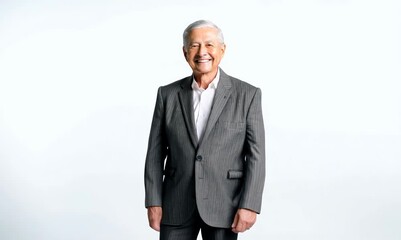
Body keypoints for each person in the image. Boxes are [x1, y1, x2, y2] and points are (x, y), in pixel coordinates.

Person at [144, 19, 266, 240]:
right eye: (194, 45)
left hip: (225, 205)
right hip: (176, 204)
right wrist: (153, 201)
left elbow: (256, 156)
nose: (202, 52)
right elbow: (154, 153)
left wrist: (250, 204)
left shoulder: (248, 95)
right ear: (185, 52)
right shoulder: (167, 94)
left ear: (222, 50)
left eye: (209, 45)